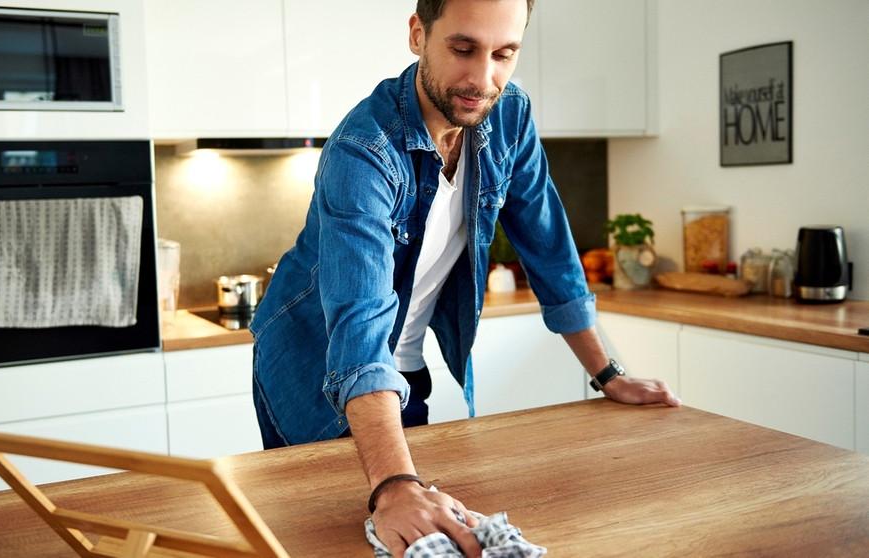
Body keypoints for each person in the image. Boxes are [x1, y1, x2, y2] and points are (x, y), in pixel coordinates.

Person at [250, 0, 680, 555]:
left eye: (504, 54)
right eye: (462, 49)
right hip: (310, 366)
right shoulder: (364, 150)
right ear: (417, 34)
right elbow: (358, 326)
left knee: (416, 537)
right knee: (327, 539)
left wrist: (608, 374)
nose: (483, 78)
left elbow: (548, 245)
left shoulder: (508, 115)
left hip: (401, 373)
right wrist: (394, 483)